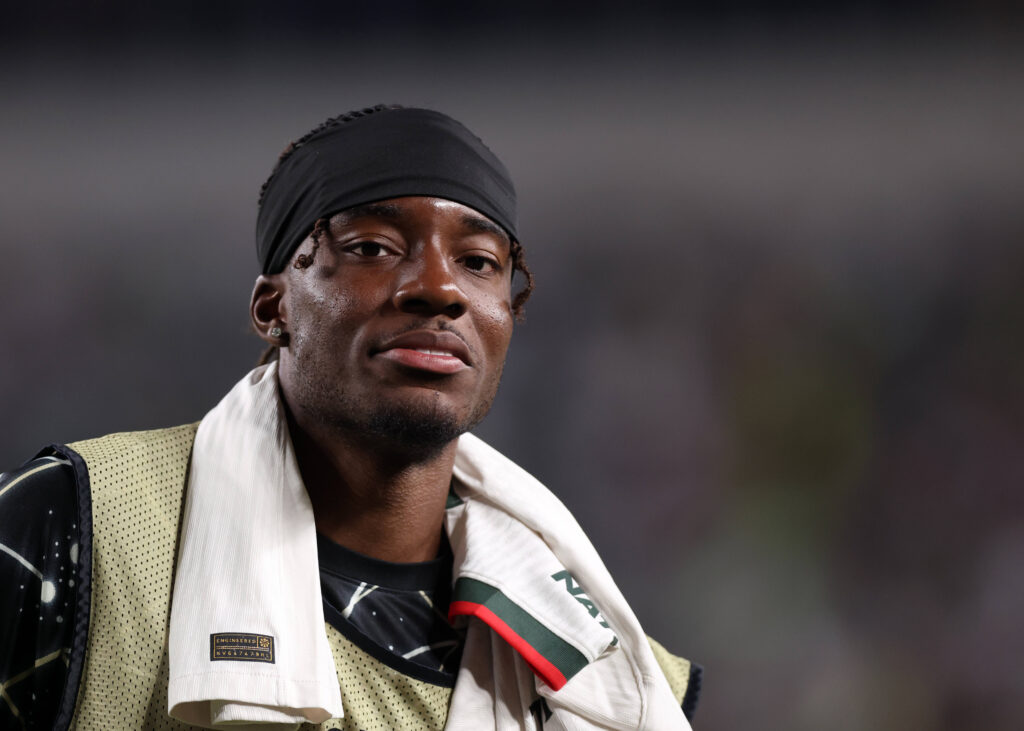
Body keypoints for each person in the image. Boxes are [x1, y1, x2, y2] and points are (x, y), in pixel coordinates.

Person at [0, 105, 701, 730]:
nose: (440, 288)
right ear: (273, 307)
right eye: (372, 248)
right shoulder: (77, 524)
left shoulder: (622, 682)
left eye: (479, 260)